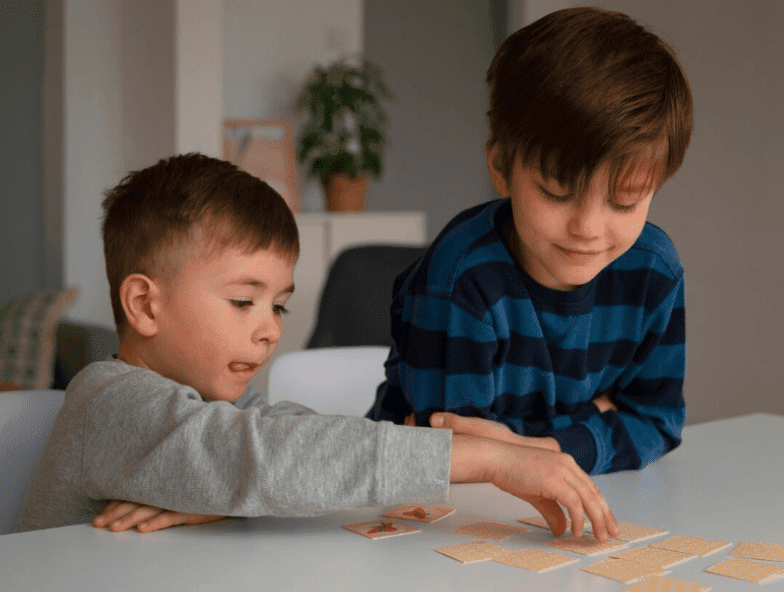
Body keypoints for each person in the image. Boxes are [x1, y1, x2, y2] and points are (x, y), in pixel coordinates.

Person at [19, 153, 618, 540]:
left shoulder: (215, 405)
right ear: (146, 305)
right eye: (243, 301)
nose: (270, 329)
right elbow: (258, 456)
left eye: (278, 305)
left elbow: (293, 444)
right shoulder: (107, 399)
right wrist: (487, 458)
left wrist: (228, 495)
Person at [369, 7, 693, 475]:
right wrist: (596, 417)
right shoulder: (461, 281)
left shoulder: (654, 272)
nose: (587, 227)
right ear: (501, 166)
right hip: (420, 512)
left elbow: (659, 421)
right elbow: (454, 456)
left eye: (624, 202)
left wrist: (533, 447)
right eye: (557, 192)